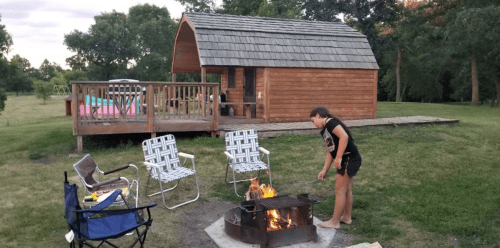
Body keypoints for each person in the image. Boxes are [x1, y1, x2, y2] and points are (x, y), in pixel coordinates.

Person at [310, 106, 362, 229]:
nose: (314, 124)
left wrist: (338, 158)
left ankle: (334, 222)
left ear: (318, 115)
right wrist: (325, 170)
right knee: (346, 189)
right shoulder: (324, 131)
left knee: (339, 190)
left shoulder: (330, 122)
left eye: (313, 121)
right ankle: (346, 217)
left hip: (349, 158)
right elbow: (329, 151)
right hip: (347, 158)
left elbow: (344, 137)